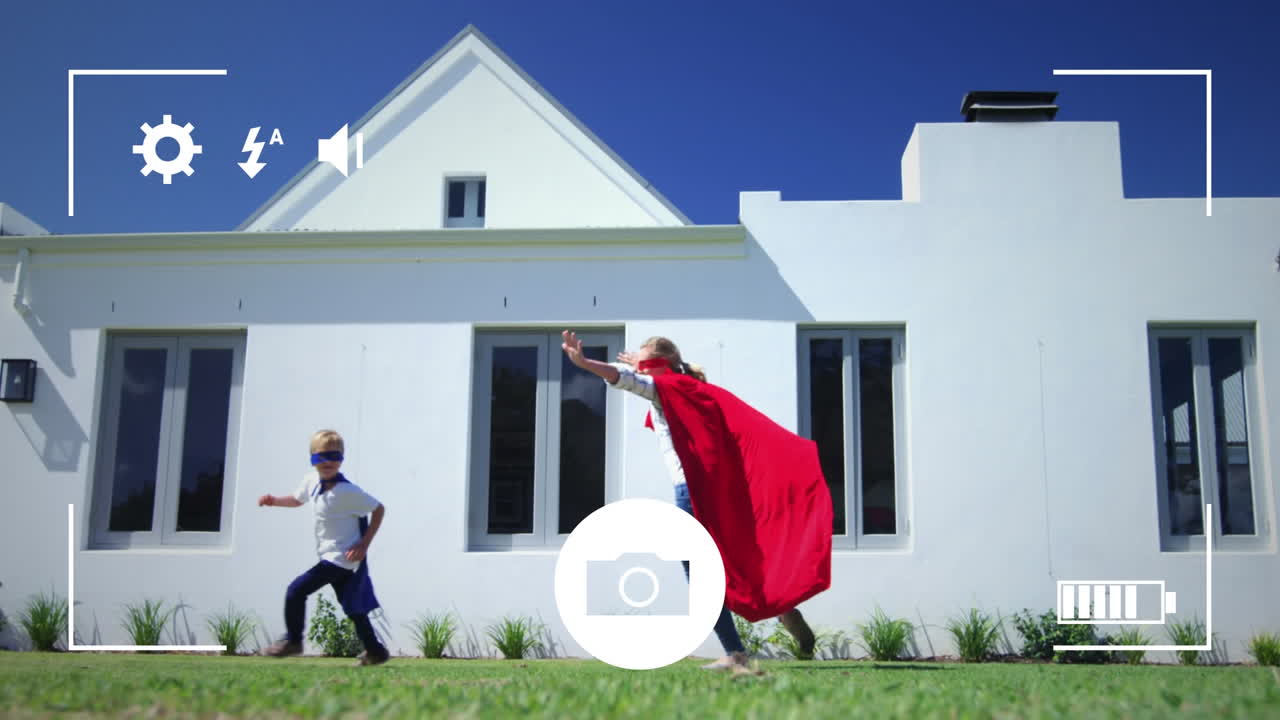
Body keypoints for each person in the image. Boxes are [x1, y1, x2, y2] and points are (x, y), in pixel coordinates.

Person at [561, 331, 824, 671]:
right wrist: (637, 364)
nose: (638, 367)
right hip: (713, 490)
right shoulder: (690, 388)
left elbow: (624, 379)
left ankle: (735, 653)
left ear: (661, 365)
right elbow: (632, 374)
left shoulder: (666, 389)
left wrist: (584, 363)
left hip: (691, 492)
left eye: (644, 363)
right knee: (731, 561)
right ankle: (783, 610)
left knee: (699, 571)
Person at [259, 429, 390, 666]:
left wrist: (364, 544)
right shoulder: (311, 481)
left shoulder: (347, 491)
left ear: (342, 459)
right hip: (330, 556)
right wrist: (274, 501)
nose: (328, 462)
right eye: (321, 456)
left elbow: (378, 509)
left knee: (296, 590)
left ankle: (293, 641)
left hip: (341, 557)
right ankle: (375, 651)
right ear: (312, 459)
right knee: (353, 609)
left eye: (334, 456)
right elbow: (297, 499)